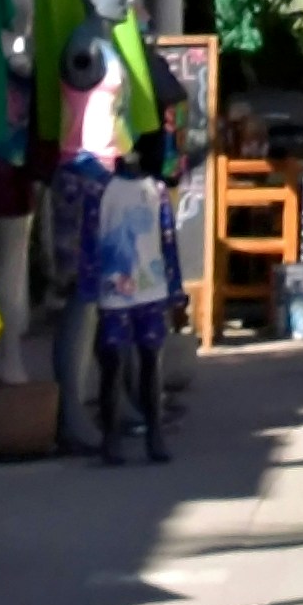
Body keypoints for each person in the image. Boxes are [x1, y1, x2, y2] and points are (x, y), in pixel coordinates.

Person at [81, 126, 183, 462]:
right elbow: (90, 240)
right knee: (114, 362)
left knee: (149, 361)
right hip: (118, 290)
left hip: (147, 288)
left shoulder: (154, 190)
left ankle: (152, 430)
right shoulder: (104, 190)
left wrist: (175, 287)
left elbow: (168, 240)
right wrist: (88, 283)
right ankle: (115, 435)